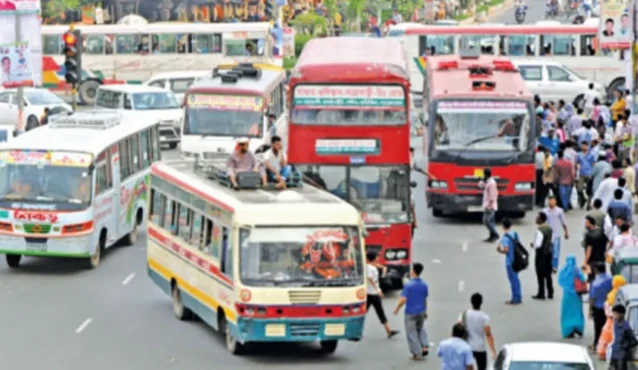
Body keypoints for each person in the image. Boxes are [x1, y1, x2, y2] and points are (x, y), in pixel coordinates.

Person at [393, 262, 429, 361]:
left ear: (413, 271)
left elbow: (403, 299)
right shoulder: (424, 284)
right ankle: (425, 346)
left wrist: (397, 308)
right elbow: (425, 299)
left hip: (410, 312)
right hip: (421, 311)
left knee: (411, 332)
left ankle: (416, 353)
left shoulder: (409, 285)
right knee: (421, 329)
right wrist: (425, 311)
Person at [457, 293, 496, 370]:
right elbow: (488, 334)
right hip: (480, 348)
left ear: (471, 302)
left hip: (467, 346)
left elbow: (458, 328)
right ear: (481, 303)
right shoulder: (484, 317)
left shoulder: (464, 314)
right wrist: (493, 350)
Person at [366, 252, 399, 339]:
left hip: (374, 294)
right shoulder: (370, 268)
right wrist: (377, 289)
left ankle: (389, 330)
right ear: (374, 258)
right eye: (377, 257)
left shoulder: (370, 266)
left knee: (380, 312)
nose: (378, 258)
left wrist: (383, 267)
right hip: (370, 294)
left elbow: (375, 265)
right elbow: (370, 278)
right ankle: (388, 330)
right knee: (365, 313)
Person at [598, 276, 628, 360]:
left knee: (606, 338)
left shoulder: (610, 294)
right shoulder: (620, 295)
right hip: (615, 321)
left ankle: (603, 354)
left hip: (609, 321)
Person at [558, 255, 586, 338]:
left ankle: (567, 330)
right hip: (577, 295)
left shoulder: (564, 271)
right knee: (577, 311)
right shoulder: (577, 271)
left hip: (567, 295)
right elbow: (583, 279)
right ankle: (578, 327)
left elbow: (560, 281)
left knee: (567, 312)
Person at [497, 218, 522, 304]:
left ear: (503, 226)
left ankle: (515, 299)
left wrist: (500, 250)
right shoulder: (515, 234)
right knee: (516, 279)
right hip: (517, 260)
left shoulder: (505, 238)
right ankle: (518, 296)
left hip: (510, 262)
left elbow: (506, 250)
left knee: (513, 280)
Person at [589, 262, 613, 351]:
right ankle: (605, 345)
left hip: (598, 308)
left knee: (597, 327)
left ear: (596, 270)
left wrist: (590, 310)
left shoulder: (595, 283)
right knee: (606, 327)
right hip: (609, 307)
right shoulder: (610, 279)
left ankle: (596, 344)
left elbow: (592, 298)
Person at [543, 195, 570, 272]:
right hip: (547, 235)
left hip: (556, 235)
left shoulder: (559, 211)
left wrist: (566, 232)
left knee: (555, 252)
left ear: (556, 202)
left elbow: (563, 222)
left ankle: (554, 266)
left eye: (553, 201)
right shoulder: (544, 211)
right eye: (550, 200)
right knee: (547, 252)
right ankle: (548, 265)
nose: (551, 202)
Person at [532, 212, 554, 300]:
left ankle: (541, 293)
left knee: (540, 274)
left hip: (541, 253)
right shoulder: (549, 228)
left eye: (537, 217)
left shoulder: (540, 230)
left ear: (541, 219)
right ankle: (550, 292)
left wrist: (533, 245)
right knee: (548, 273)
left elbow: (538, 244)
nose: (536, 219)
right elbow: (551, 240)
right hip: (548, 252)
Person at [609, 304, 638, 370]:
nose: (614, 316)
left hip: (622, 356)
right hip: (614, 354)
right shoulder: (616, 324)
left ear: (621, 314)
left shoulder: (626, 327)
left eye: (615, 314)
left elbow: (634, 341)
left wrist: (624, 347)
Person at [582, 216, 609, 282]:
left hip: (591, 261)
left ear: (591, 223)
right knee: (602, 278)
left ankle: (592, 291)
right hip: (602, 260)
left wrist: (585, 262)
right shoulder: (602, 233)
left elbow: (589, 250)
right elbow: (607, 243)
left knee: (591, 279)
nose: (585, 224)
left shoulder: (589, 235)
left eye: (586, 223)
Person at [479, 168, 499, 242]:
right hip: (487, 205)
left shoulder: (492, 183)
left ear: (486, 174)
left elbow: (493, 196)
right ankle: (491, 236)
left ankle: (495, 234)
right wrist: (482, 180)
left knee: (486, 221)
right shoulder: (487, 181)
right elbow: (480, 186)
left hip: (490, 206)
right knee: (491, 222)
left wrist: (489, 206)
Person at [576, 141, 596, 209]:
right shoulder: (578, 154)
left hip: (589, 173)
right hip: (581, 173)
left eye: (585, 146)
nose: (583, 147)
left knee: (589, 190)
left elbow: (593, 164)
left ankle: (589, 203)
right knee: (579, 189)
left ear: (587, 146)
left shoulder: (591, 154)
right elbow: (577, 162)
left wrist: (594, 172)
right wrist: (578, 166)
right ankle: (583, 199)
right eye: (582, 146)